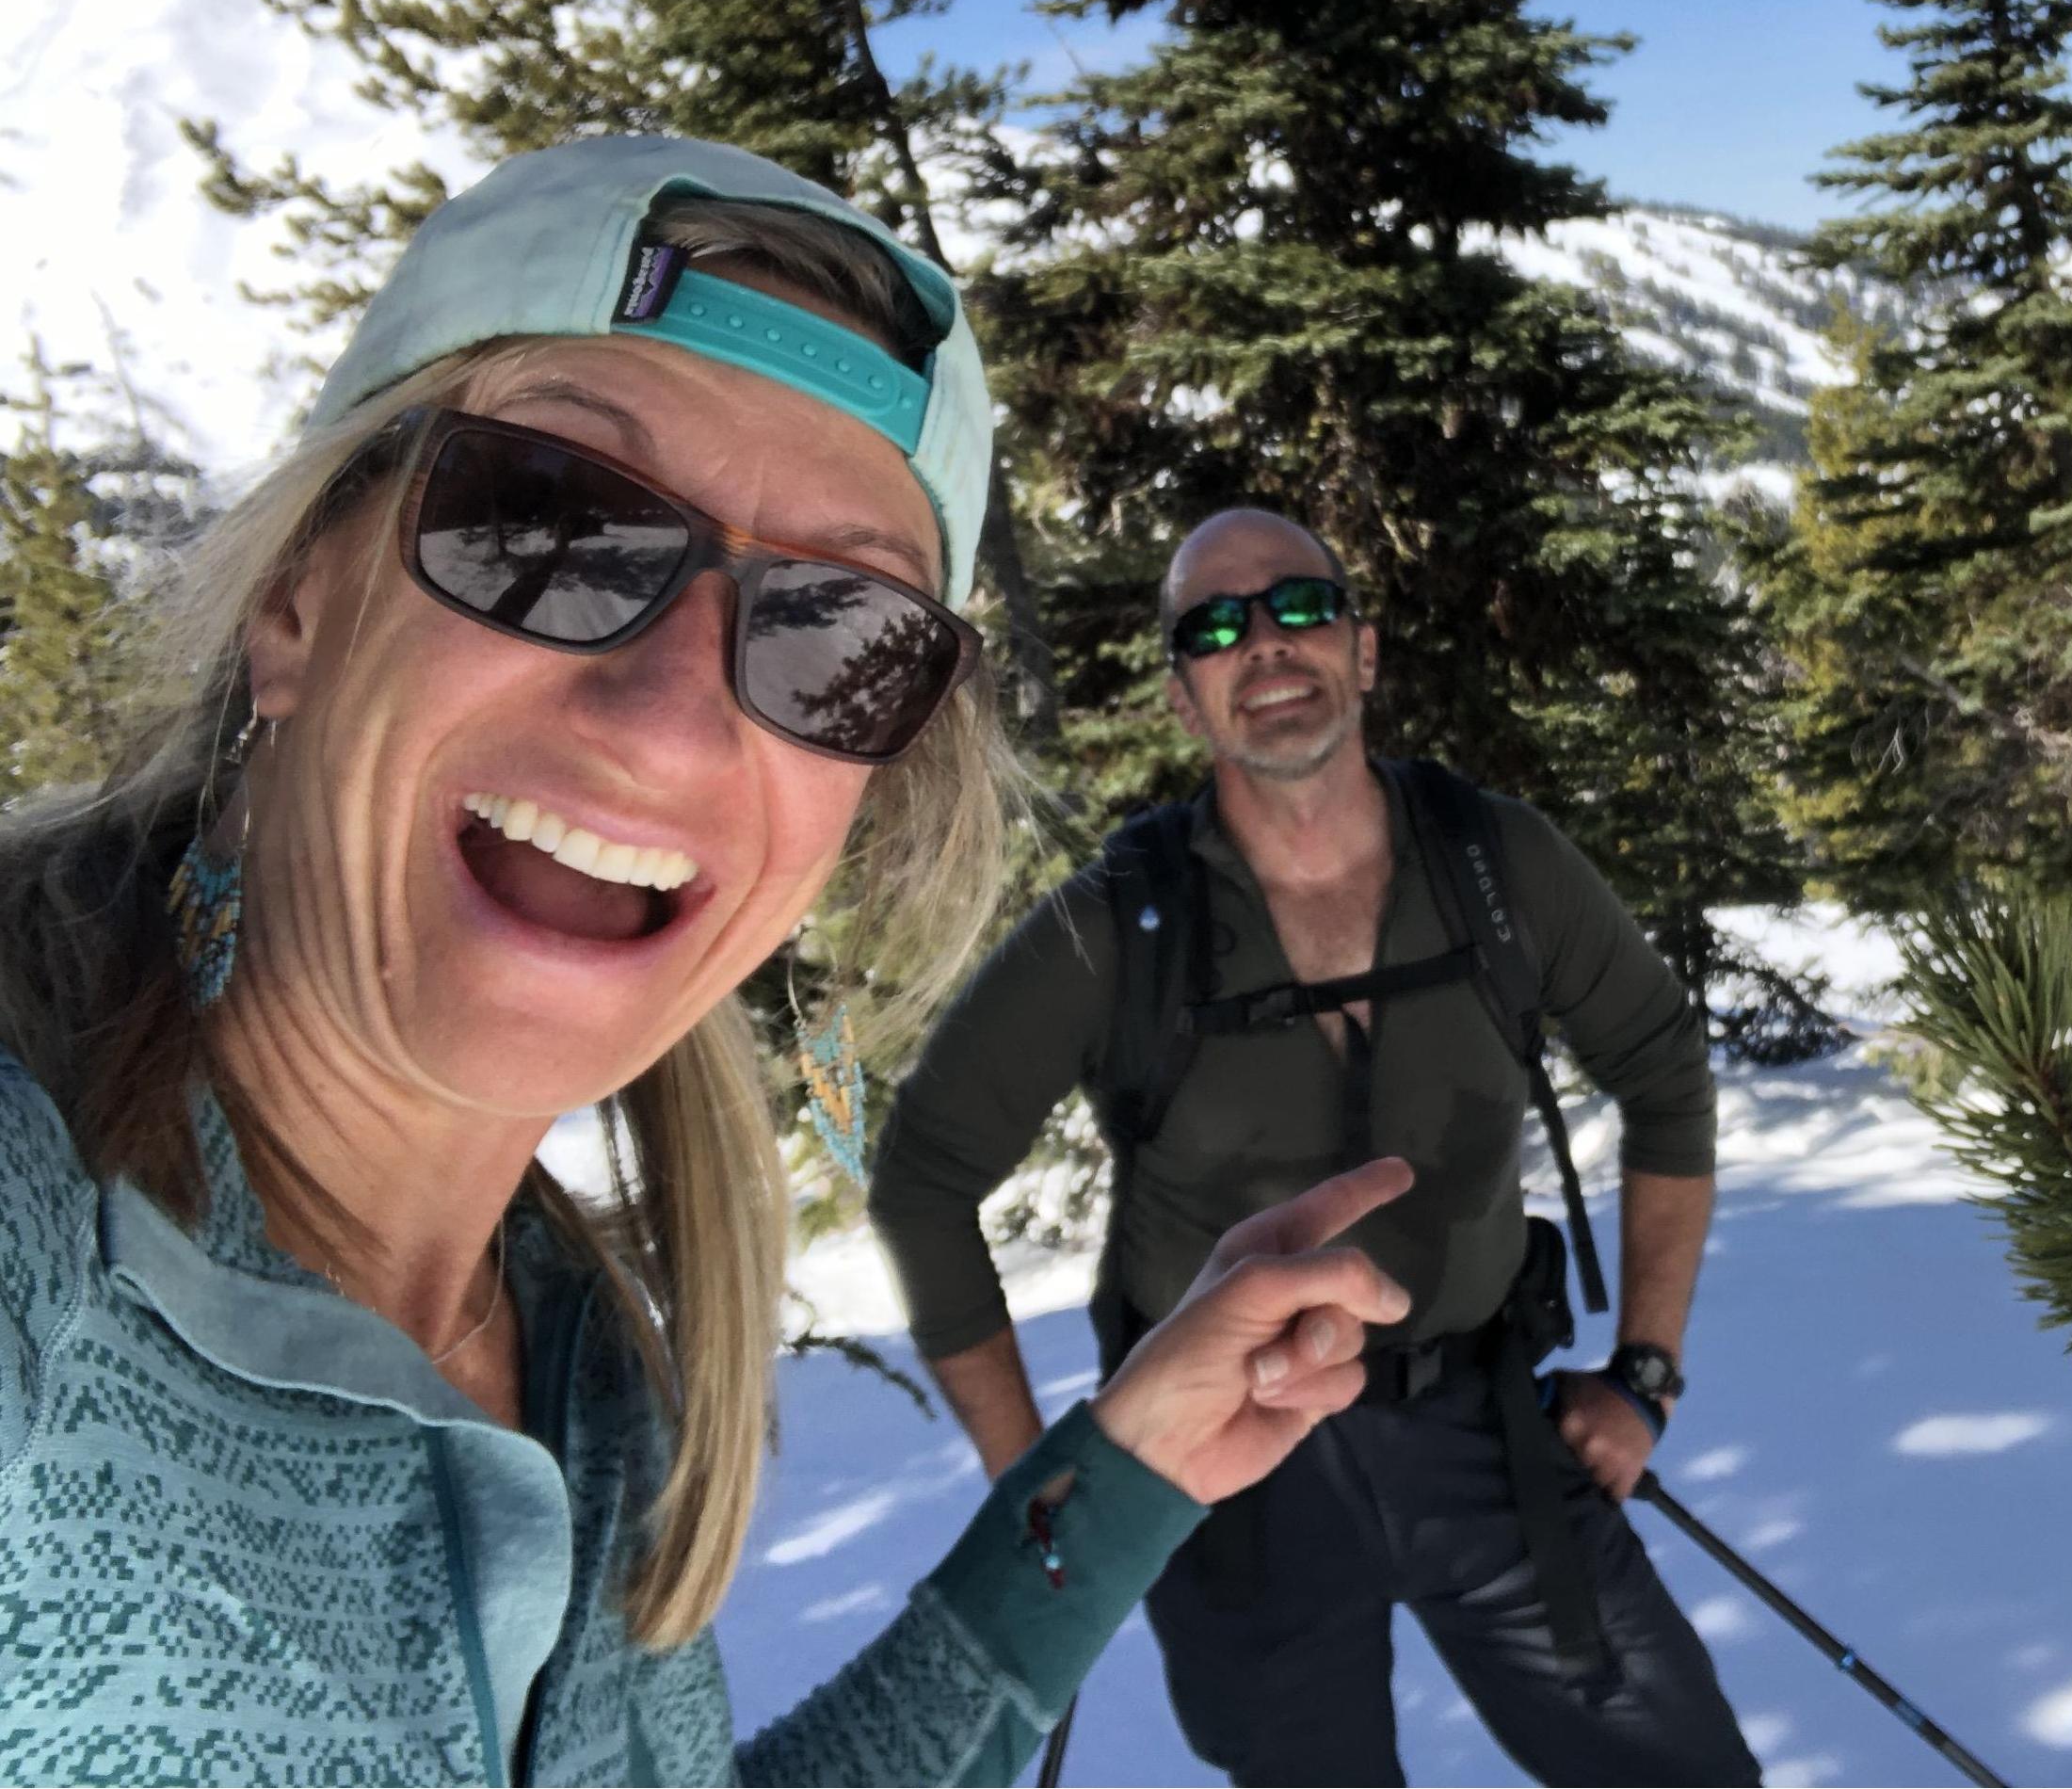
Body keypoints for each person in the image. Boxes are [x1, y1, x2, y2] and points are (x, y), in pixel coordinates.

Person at [0, 138, 1419, 1786]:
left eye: (836, 632)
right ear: (298, 604)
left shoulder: (591, 1368)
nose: (673, 718)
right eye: (545, 527)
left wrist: (1126, 1476)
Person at [870, 508, 1764, 1787]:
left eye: (1300, 607)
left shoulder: (1493, 863)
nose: (1267, 644)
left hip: (1489, 1436)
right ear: (1186, 697)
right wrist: (1043, 1486)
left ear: (1364, 649)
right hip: (1230, 1481)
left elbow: (1668, 1074)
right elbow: (923, 1179)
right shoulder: (1127, 924)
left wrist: (1648, 1376)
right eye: (1217, 627)